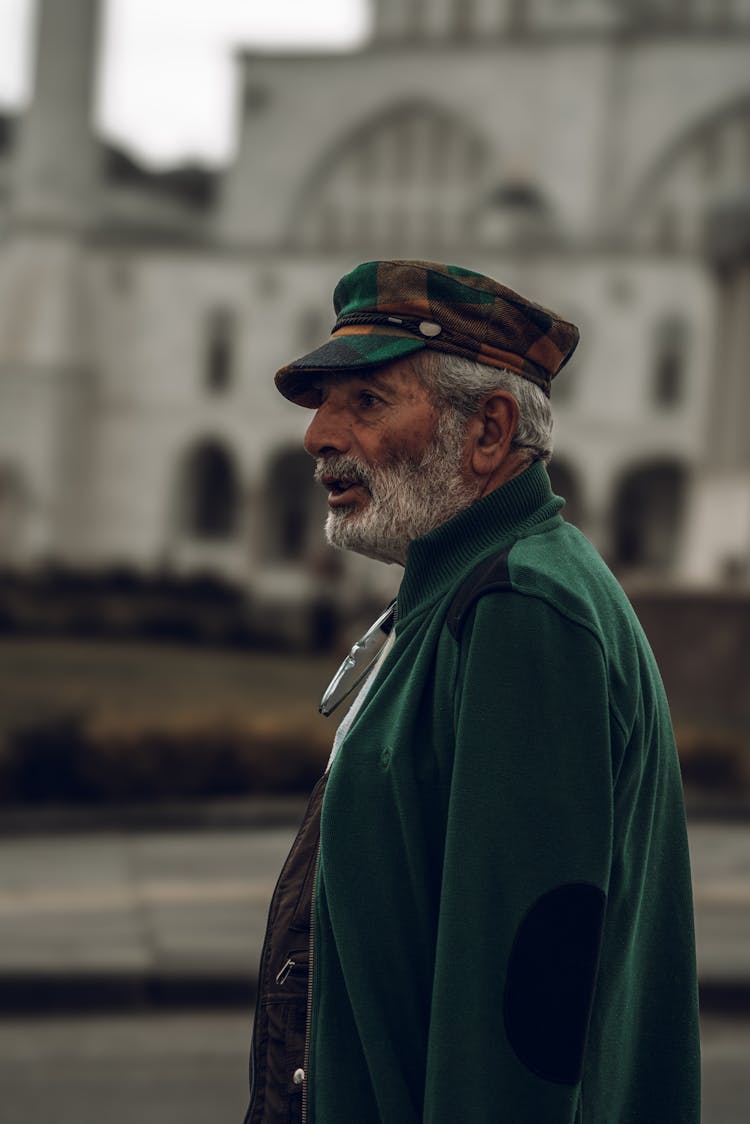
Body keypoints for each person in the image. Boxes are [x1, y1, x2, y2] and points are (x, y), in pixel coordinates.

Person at [244, 260, 700, 1124]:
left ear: (487, 431)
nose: (316, 435)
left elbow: (520, 1008)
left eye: (367, 403)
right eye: (323, 404)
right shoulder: (467, 589)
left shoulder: (522, 610)